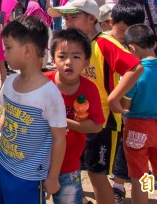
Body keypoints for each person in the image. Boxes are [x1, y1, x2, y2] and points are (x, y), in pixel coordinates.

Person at [48, 0, 143, 204]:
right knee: (72, 168)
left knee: (97, 175)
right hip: (76, 119)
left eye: (73, 16)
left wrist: (114, 98)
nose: (67, 22)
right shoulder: (77, 47)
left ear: (92, 19)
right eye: (65, 17)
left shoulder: (104, 43)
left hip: (103, 123)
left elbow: (136, 67)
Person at [0, 16, 66, 204]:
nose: (4, 53)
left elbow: (59, 137)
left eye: (8, 48)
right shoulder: (10, 81)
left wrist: (52, 177)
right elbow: (6, 116)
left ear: (27, 50)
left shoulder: (49, 94)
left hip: (27, 175)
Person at [118, 24, 157, 204]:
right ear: (154, 44)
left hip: (137, 126)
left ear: (132, 48)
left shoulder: (134, 72)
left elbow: (126, 104)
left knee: (139, 178)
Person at [45, 28, 105, 204]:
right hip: (37, 162)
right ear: (53, 59)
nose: (68, 62)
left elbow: (96, 125)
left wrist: (63, 123)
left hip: (69, 164)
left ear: (86, 62)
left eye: (76, 57)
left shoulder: (89, 89)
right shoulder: (42, 83)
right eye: (62, 56)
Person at [105, 0, 146, 203]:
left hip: (126, 109)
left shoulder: (136, 48)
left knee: (123, 147)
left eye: (131, 31)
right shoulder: (103, 44)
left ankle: (118, 187)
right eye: (122, 30)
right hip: (105, 108)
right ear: (111, 22)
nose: (126, 35)